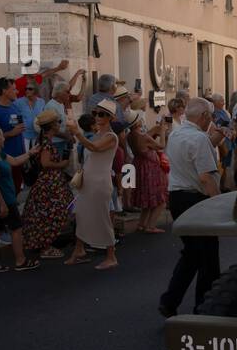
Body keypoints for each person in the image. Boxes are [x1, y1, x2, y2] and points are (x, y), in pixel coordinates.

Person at [159, 97, 221, 317]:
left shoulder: (176, 134)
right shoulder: (199, 138)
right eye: (210, 117)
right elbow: (205, 177)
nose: (211, 121)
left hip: (177, 197)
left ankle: (170, 300)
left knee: (192, 254)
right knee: (208, 258)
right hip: (196, 199)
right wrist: (218, 205)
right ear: (203, 116)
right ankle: (205, 307)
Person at [63, 100, 119, 269]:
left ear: (110, 118)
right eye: (95, 113)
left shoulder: (110, 136)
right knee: (81, 215)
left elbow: (94, 148)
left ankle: (111, 256)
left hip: (100, 183)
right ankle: (79, 250)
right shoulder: (97, 134)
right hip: (88, 182)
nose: (97, 117)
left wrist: (77, 134)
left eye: (102, 114)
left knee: (102, 219)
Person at [20, 108, 75, 259]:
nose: (59, 124)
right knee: (50, 215)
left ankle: (46, 244)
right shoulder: (46, 143)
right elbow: (45, 163)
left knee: (51, 213)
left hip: (51, 183)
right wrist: (62, 164)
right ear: (52, 125)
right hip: (49, 184)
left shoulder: (45, 139)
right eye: (58, 122)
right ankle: (45, 247)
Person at [0, 126, 40, 272]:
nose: (3, 138)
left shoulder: (0, 154)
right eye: (1, 136)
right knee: (16, 229)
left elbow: (15, 161)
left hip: (6, 199)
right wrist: (2, 204)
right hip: (5, 200)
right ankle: (20, 260)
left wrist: (30, 152)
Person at [125, 109, 168, 233]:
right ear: (137, 123)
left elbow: (144, 138)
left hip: (139, 165)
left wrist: (155, 129)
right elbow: (161, 146)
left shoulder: (130, 136)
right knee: (160, 200)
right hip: (150, 167)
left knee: (147, 198)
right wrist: (163, 131)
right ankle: (150, 226)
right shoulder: (143, 136)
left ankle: (142, 224)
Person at [0, 77, 28, 194]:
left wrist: (24, 153)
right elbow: (11, 132)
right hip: (5, 161)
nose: (18, 92)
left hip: (18, 158)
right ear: (4, 91)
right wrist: (10, 133)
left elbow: (18, 130)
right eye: (14, 89)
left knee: (16, 189)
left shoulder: (14, 106)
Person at [17, 80, 46, 150]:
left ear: (36, 90)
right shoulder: (18, 102)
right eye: (26, 89)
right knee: (25, 155)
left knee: (35, 156)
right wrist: (18, 128)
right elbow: (14, 117)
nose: (27, 90)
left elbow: (43, 116)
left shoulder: (41, 102)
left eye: (30, 89)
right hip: (23, 134)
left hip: (37, 134)